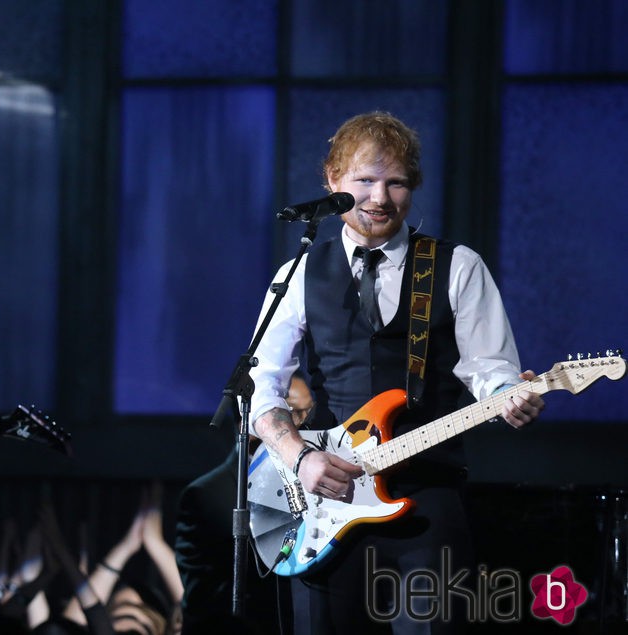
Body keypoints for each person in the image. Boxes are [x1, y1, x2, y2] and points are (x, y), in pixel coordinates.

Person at [246, 111, 544, 634]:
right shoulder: (297, 274)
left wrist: (509, 396)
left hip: (427, 495)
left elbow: (491, 370)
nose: (379, 198)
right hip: (324, 498)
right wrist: (300, 460)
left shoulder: (457, 266)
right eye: (364, 181)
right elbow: (261, 388)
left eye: (396, 183)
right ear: (333, 182)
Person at [175, 375, 311, 634]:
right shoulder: (207, 496)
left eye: (309, 411)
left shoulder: (314, 479)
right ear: (250, 421)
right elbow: (203, 598)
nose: (305, 423)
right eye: (294, 413)